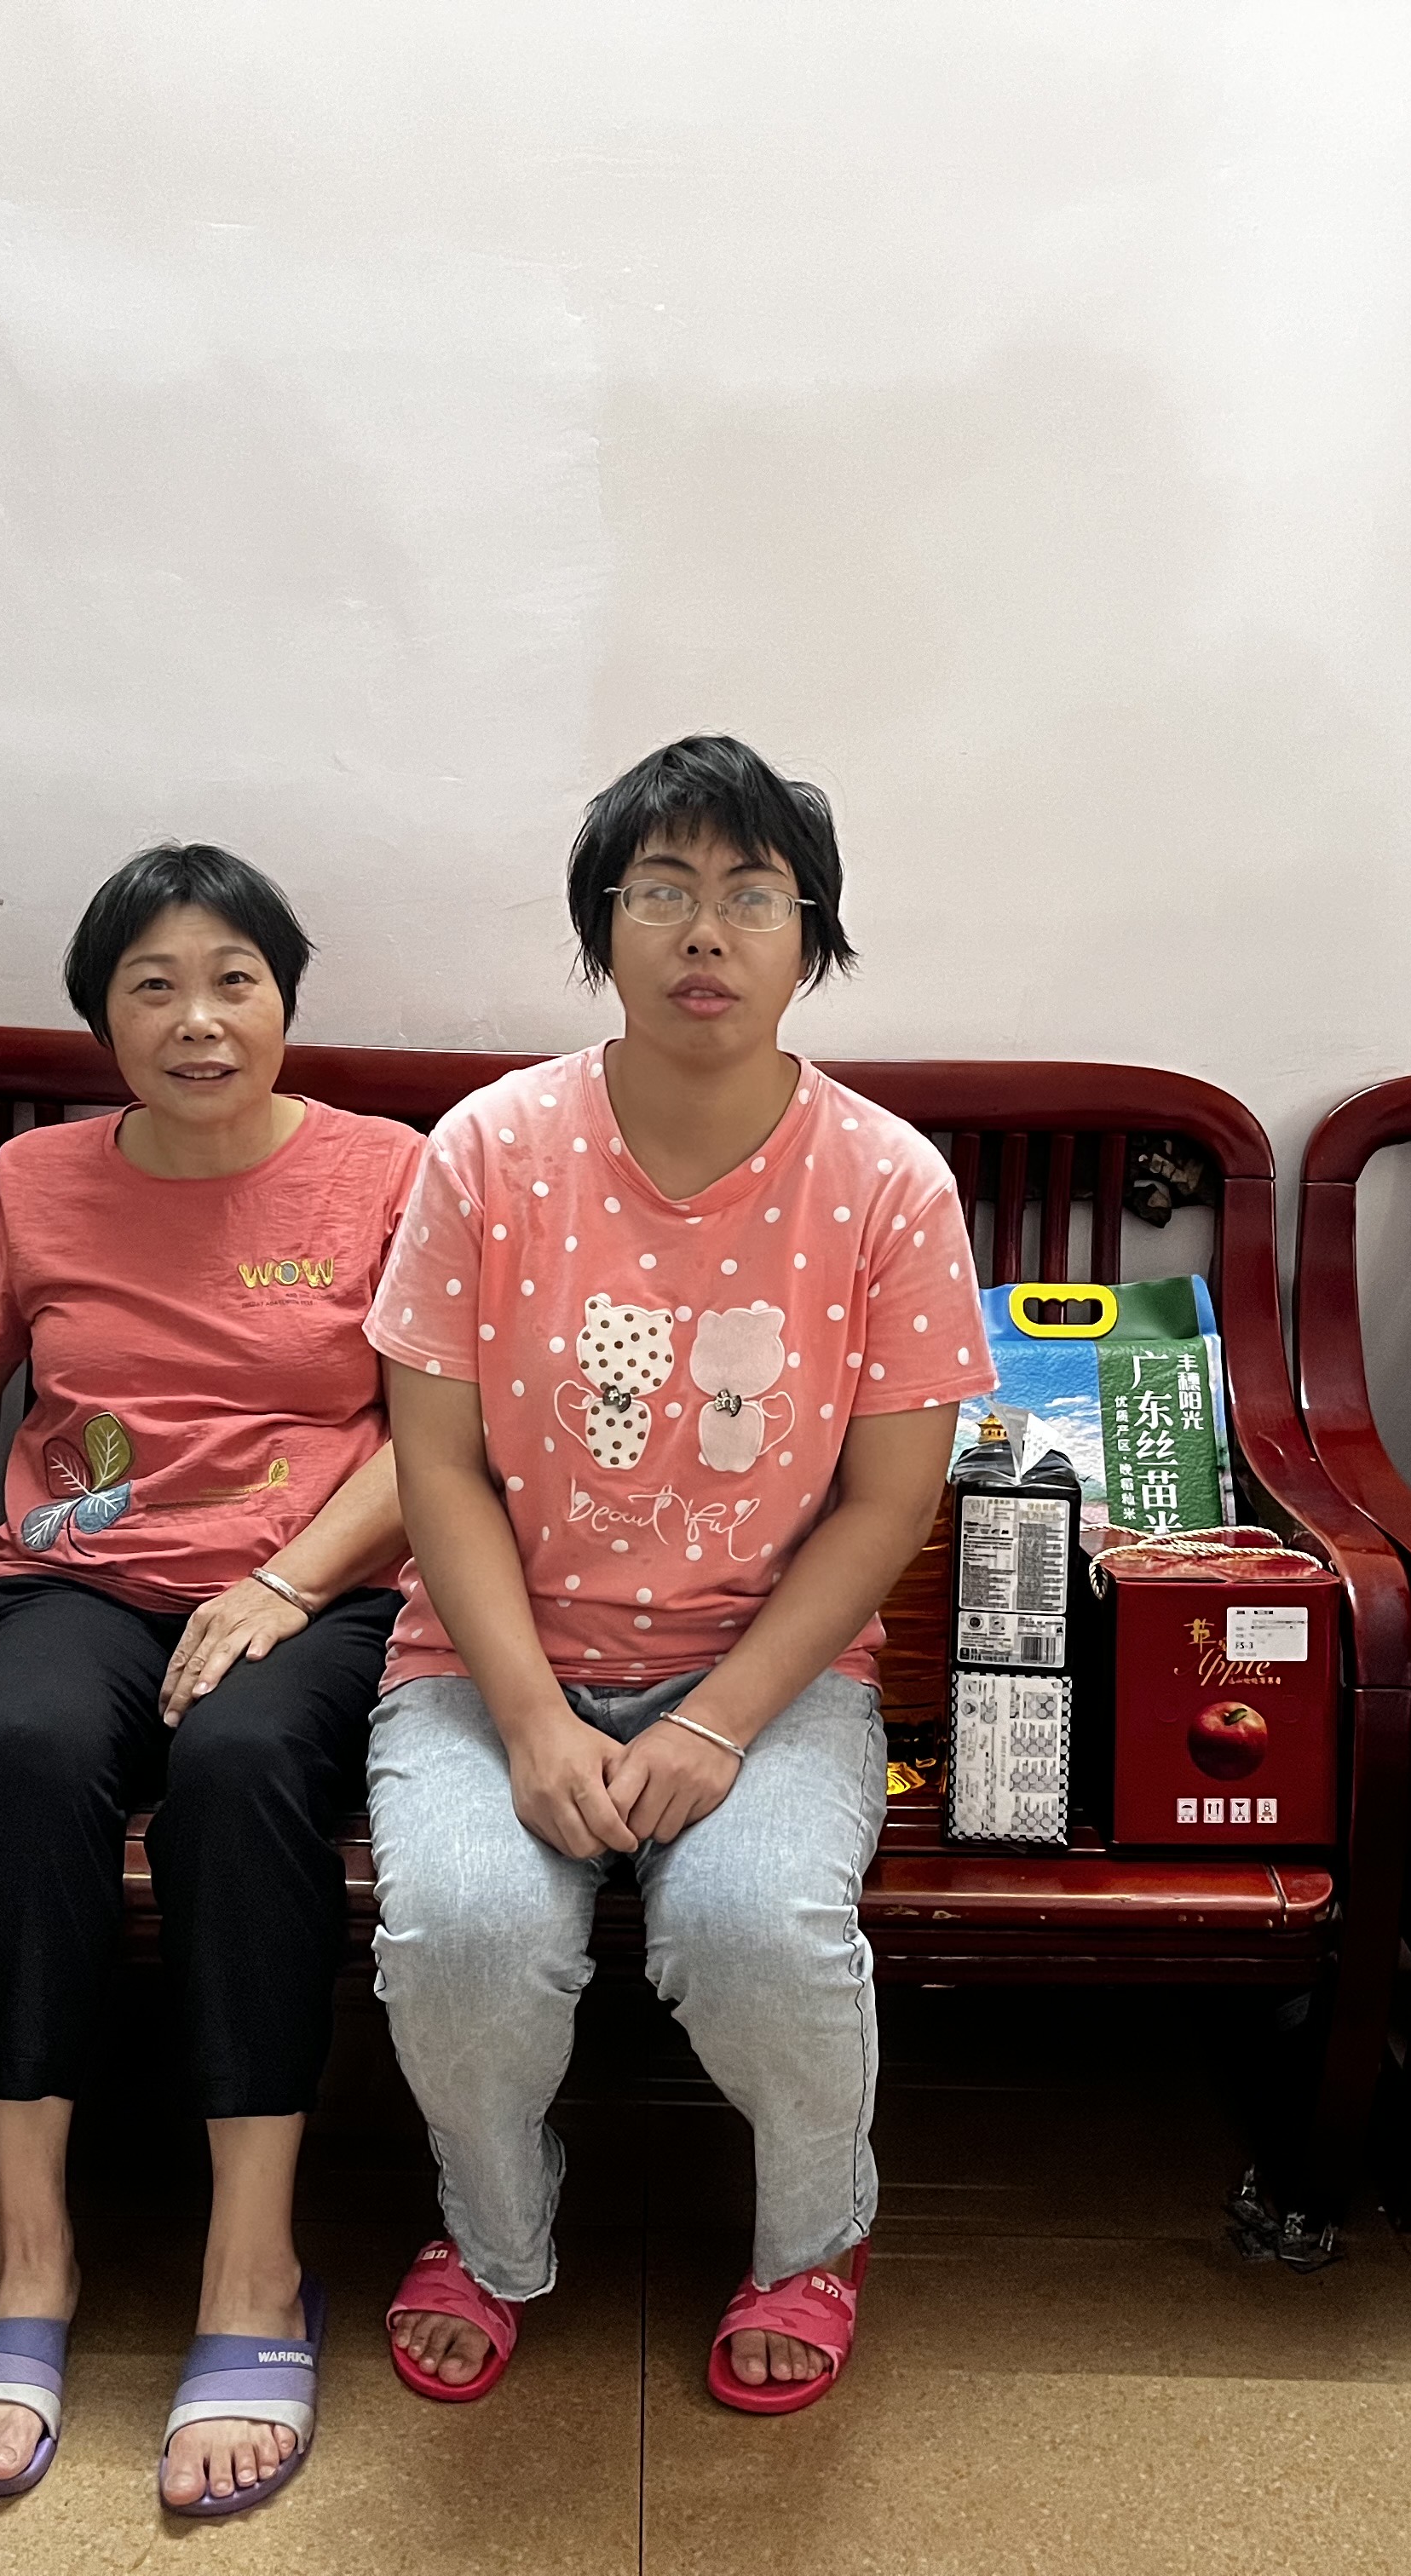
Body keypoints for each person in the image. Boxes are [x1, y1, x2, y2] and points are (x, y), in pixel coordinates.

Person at [360, 735, 994, 2416]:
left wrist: (715, 1722)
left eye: (751, 895)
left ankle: (811, 2242)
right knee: (466, 1931)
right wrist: (527, 1718)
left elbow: (889, 1503)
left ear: (809, 937)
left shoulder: (888, 1181)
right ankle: (495, 2234)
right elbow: (435, 1466)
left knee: (758, 1930)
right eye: (661, 892)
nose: (705, 931)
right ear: (603, 928)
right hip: (489, 1661)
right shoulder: (488, 1150)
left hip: (770, 1673)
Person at [0, 843, 420, 2516]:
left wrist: (286, 1579)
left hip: (312, 1587)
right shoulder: (37, 1183)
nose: (200, 1021)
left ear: (285, 1001)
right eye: (155, 987)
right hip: (79, 1580)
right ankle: (25, 2253)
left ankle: (252, 2268)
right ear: (102, 1019)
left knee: (240, 1770)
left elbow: (443, 1433)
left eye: (234, 981)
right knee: (31, 1761)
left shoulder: (388, 1173)